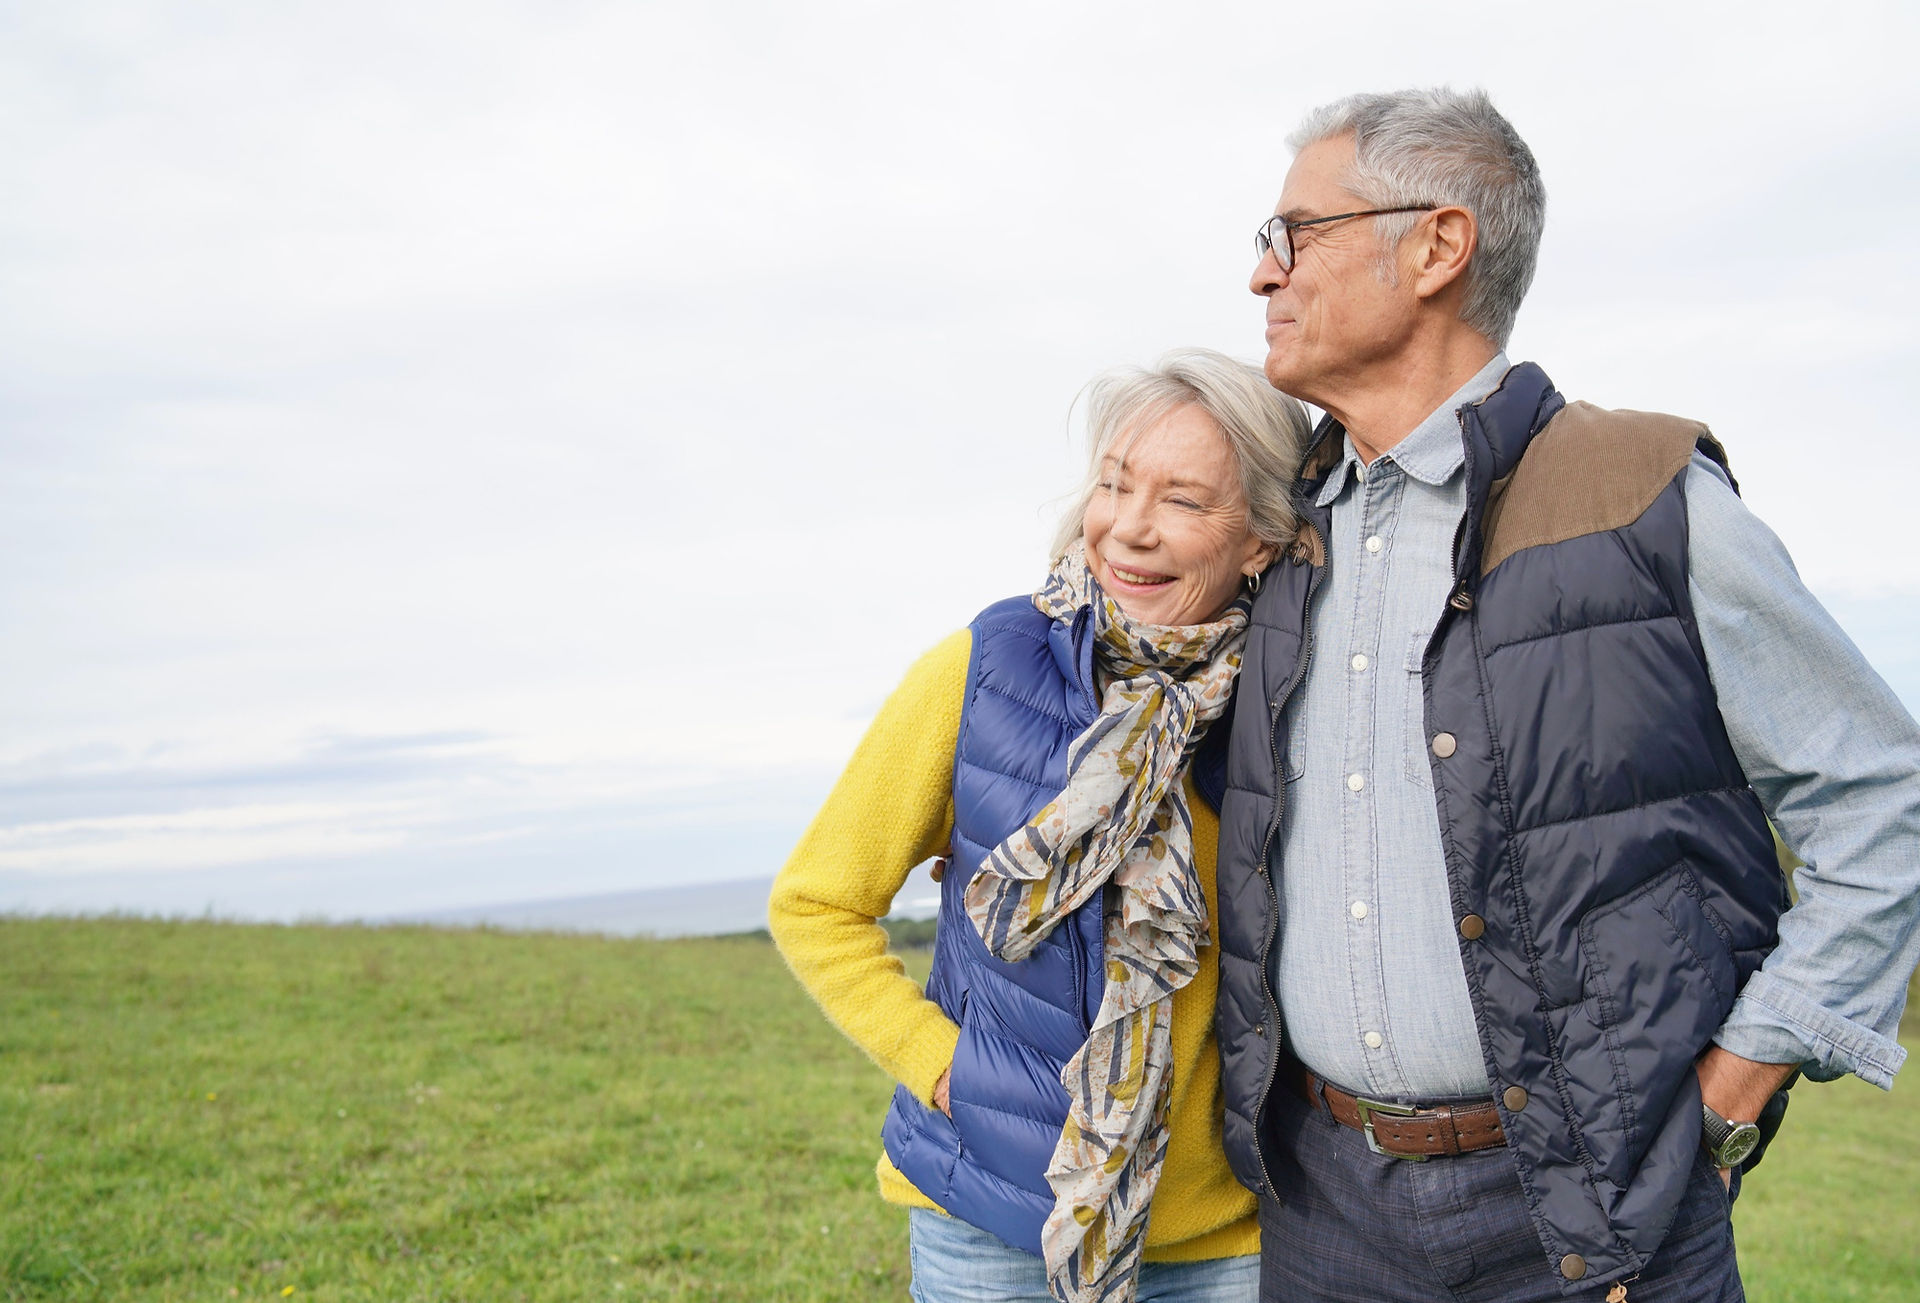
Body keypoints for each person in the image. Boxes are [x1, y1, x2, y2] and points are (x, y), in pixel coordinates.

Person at [1213, 87, 1920, 1302]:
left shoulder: (1645, 493)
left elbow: (1881, 797)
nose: (1261, 277)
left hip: (1599, 1211)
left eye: (1295, 235)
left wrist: (1742, 1073)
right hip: (1326, 1212)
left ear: (1437, 246)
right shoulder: (1278, 535)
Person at [769, 349, 1311, 1303]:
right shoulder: (987, 666)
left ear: (1262, 538)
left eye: (1183, 501)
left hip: (1222, 1238)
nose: (1129, 529)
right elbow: (817, 901)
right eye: (1114, 484)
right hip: (992, 1223)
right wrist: (944, 1069)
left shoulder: (1292, 698)